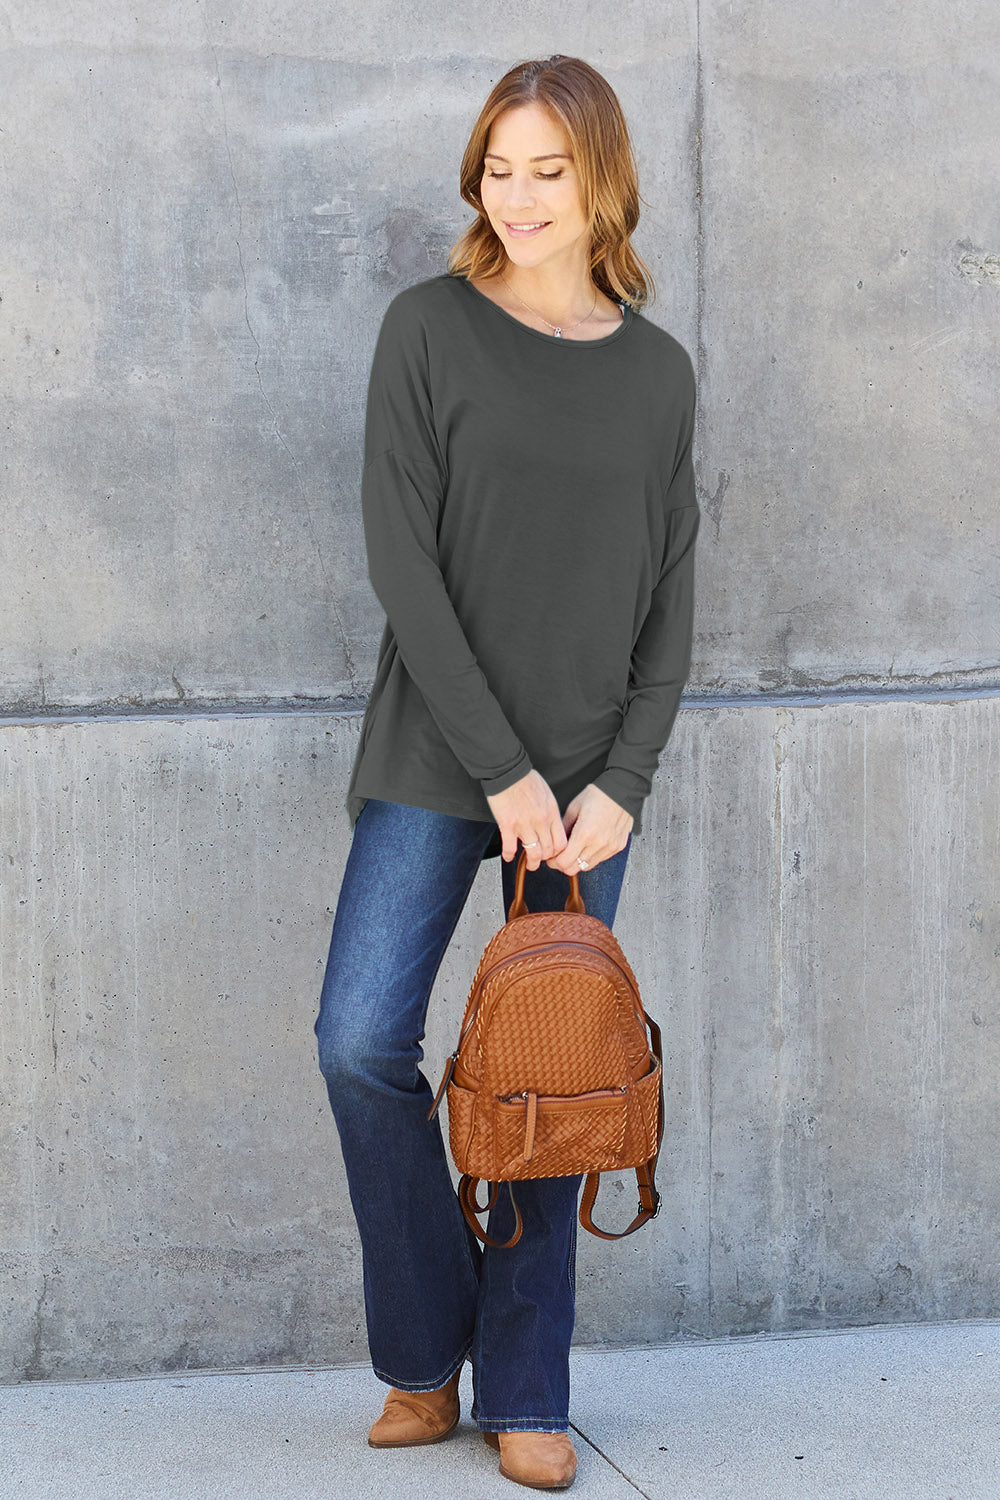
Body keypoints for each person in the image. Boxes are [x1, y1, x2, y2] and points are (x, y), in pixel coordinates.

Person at [314, 54, 700, 1491]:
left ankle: (525, 1388)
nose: (518, 195)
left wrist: (625, 781)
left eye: (548, 168)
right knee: (359, 1043)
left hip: (590, 786)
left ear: (602, 177)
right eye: (498, 166)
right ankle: (428, 1353)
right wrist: (501, 770)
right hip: (441, 754)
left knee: (551, 1081)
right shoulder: (426, 331)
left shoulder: (660, 372)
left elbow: (673, 600)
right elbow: (402, 566)